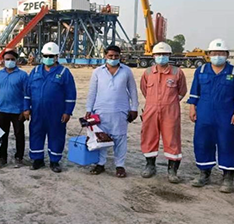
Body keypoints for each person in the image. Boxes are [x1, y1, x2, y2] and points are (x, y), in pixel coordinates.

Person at [188, 39, 234, 192]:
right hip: (204, 113)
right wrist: (192, 108)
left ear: (227, 54)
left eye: (221, 53)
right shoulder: (201, 71)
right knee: (202, 142)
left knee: (227, 143)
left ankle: (228, 176)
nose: (217, 56)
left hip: (226, 114)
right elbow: (195, 92)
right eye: (214, 53)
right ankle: (204, 173)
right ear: (208, 54)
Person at [86, 45, 139, 178]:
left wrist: (134, 108)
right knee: (101, 138)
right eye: (110, 56)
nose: (113, 58)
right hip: (101, 111)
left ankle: (120, 166)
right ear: (105, 56)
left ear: (120, 56)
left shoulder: (126, 71)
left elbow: (133, 90)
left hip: (120, 111)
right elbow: (92, 92)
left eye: (116, 56)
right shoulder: (98, 72)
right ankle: (100, 164)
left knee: (120, 138)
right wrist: (88, 109)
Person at [24, 42, 77, 173]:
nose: (48, 58)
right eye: (45, 55)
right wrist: (26, 108)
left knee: (56, 135)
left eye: (51, 56)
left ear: (56, 57)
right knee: (36, 133)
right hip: (37, 111)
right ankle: (37, 159)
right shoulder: (35, 71)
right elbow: (27, 91)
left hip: (56, 112)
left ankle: (54, 161)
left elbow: (70, 94)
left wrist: (68, 112)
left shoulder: (64, 72)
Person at [140, 42, 187, 183]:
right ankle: (150, 165)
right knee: (149, 137)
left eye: (164, 54)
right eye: (158, 54)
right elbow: (144, 90)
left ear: (169, 55)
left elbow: (182, 91)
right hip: (151, 109)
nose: (161, 56)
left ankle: (172, 170)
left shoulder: (177, 72)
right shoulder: (148, 72)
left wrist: (169, 102)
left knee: (172, 138)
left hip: (170, 111)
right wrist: (153, 102)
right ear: (153, 56)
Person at [0, 50, 28, 169]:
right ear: (3, 61)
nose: (9, 61)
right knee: (2, 135)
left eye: (12, 59)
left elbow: (27, 93)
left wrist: (25, 109)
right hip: (2, 110)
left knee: (19, 135)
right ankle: (2, 158)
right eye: (7, 59)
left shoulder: (23, 75)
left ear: (16, 61)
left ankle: (19, 158)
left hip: (18, 111)